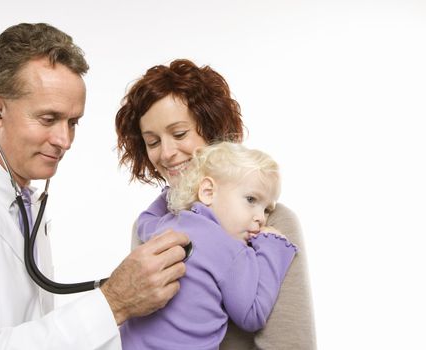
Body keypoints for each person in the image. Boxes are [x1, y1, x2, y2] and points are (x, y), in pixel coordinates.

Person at [0, 23, 190, 350]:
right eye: (48, 119)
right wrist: (114, 303)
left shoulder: (22, 205)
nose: (64, 141)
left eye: (72, 122)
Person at [116, 59, 317, 349]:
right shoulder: (151, 226)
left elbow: (290, 343)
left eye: (180, 133)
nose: (167, 153)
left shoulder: (271, 224)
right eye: (153, 141)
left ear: (210, 131)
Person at [120, 141, 297, 349]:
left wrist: (178, 191)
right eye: (251, 199)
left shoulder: (170, 223)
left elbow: (145, 220)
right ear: (207, 191)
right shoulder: (233, 251)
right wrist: (273, 246)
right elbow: (252, 315)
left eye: (267, 210)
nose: (260, 218)